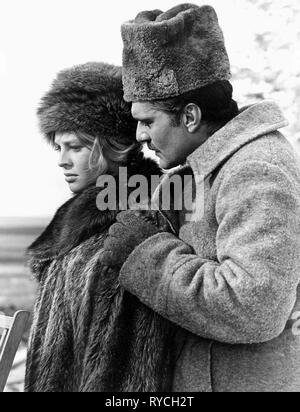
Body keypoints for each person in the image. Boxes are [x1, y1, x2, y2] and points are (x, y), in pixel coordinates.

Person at [103, 4, 300, 392]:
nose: (141, 136)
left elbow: (253, 308)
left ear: (190, 117)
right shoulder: (205, 167)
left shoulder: (256, 169)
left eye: (147, 121)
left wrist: (148, 254)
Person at [25, 62, 179, 392]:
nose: (62, 160)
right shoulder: (84, 224)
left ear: (112, 146)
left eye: (76, 147)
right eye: (59, 147)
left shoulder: (131, 227)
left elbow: (128, 373)